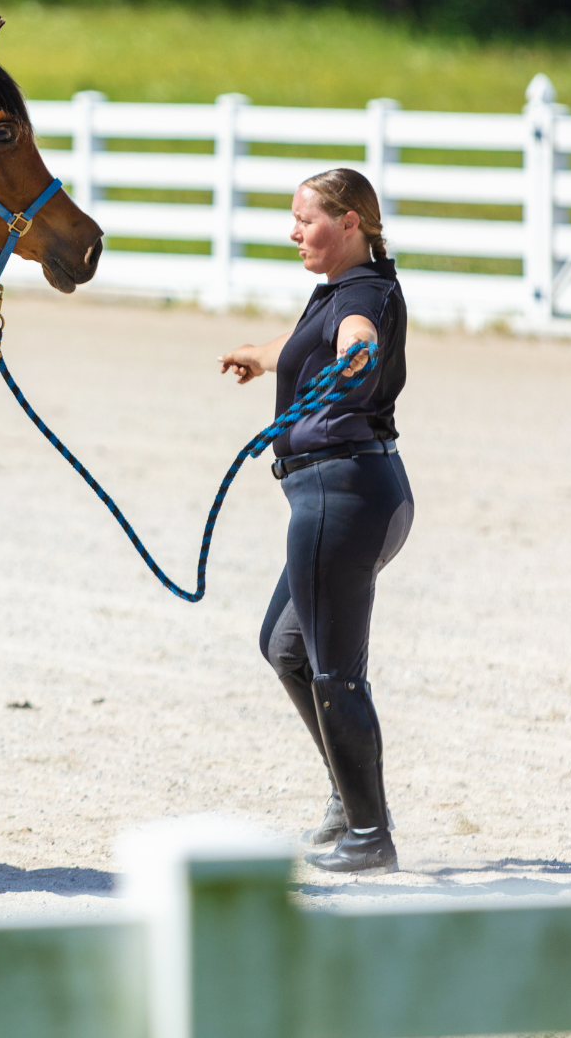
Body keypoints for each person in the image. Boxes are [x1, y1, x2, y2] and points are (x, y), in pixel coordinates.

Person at [218, 168, 413, 873]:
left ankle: (369, 834)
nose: (293, 231)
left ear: (352, 221)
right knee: (285, 646)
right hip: (346, 495)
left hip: (342, 496)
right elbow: (313, 336)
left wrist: (356, 358)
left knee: (335, 671)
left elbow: (353, 340)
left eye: (307, 219)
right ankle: (350, 795)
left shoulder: (362, 298)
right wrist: (259, 354)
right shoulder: (345, 288)